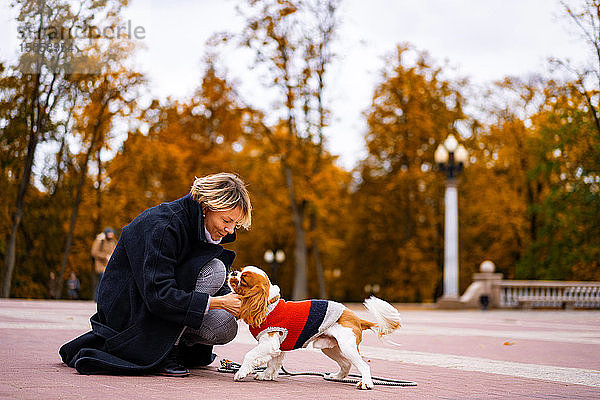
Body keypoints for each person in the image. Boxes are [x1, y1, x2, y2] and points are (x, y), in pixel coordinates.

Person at [59, 173, 251, 377]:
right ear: (206, 207)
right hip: (128, 311)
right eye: (227, 220)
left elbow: (191, 278)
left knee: (225, 325)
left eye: (235, 224)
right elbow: (159, 294)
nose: (230, 230)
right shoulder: (164, 225)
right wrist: (219, 302)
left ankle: (173, 344)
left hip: (157, 308)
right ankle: (167, 351)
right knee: (214, 270)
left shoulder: (200, 227)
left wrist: (242, 304)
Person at [91, 227, 117, 300]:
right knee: (102, 280)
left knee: (107, 281)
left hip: (109, 264)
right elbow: (94, 252)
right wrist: (105, 256)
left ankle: (104, 298)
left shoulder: (113, 241)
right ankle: (97, 297)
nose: (111, 235)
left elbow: (115, 251)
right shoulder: (100, 241)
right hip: (100, 264)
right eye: (109, 234)